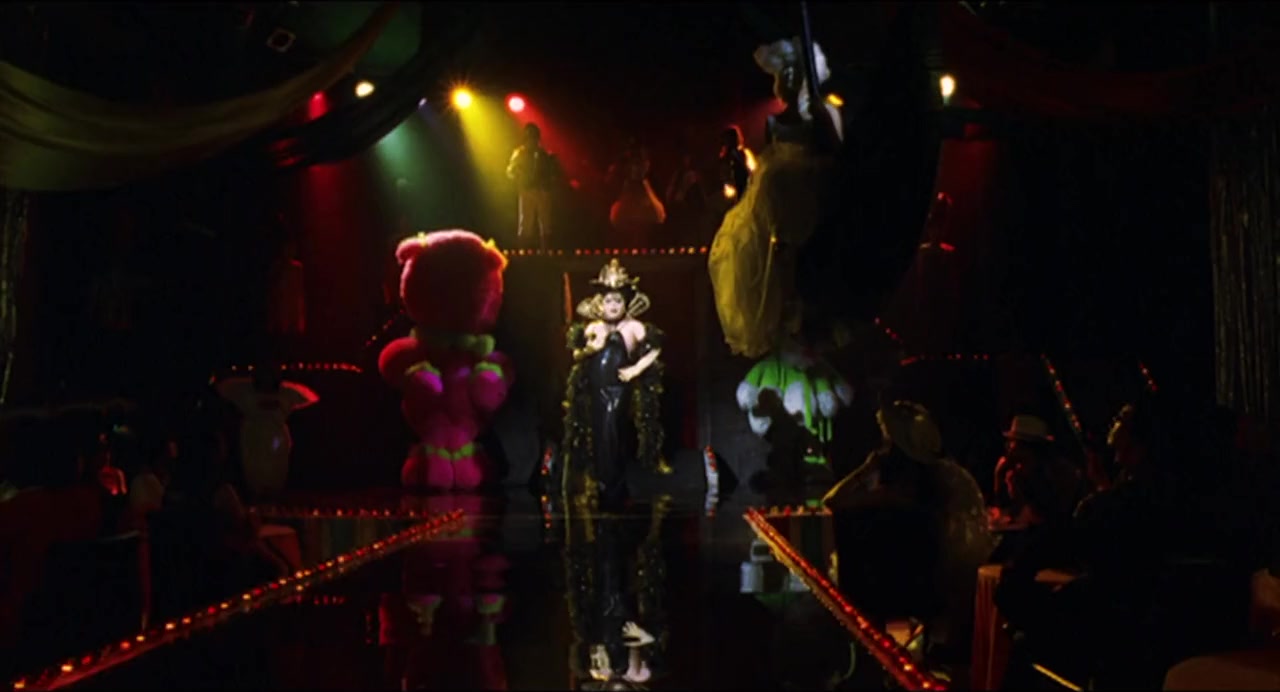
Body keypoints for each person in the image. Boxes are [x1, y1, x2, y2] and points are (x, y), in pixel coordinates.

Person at [823, 400, 993, 657]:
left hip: (919, 584)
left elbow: (832, 501)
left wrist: (866, 469)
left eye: (886, 441)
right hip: (939, 582)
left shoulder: (902, 491)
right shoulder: (947, 476)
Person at [708, 37, 843, 360]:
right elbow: (767, 158)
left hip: (811, 197)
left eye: (797, 72)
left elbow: (837, 154)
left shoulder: (825, 112)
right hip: (776, 204)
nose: (790, 79)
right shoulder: (775, 122)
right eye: (786, 73)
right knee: (768, 264)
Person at [561, 259, 668, 510]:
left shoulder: (633, 327)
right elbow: (576, 355)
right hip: (596, 389)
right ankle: (604, 487)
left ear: (626, 302)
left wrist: (635, 369)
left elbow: (655, 348)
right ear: (600, 302)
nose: (613, 305)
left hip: (618, 389)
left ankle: (614, 485)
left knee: (612, 431)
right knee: (599, 435)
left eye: (618, 300)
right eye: (608, 300)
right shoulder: (594, 327)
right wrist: (591, 348)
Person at [215, 365, 319, 498]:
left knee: (276, 469)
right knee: (254, 470)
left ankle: (273, 496)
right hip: (253, 437)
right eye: (264, 374)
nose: (267, 378)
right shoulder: (243, 390)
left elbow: (311, 398)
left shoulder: (287, 392)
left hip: (276, 437)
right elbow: (221, 388)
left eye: (271, 374)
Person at [506, 123, 558, 251]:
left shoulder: (544, 154)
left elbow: (552, 173)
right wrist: (517, 172)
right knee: (525, 223)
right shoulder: (520, 153)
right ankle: (523, 253)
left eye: (534, 136)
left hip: (542, 191)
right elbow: (510, 171)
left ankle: (545, 253)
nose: (532, 140)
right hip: (527, 190)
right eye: (530, 136)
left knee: (545, 223)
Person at [607, 139, 666, 245]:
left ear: (647, 164)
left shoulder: (655, 183)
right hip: (624, 239)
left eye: (640, 162)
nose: (636, 167)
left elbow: (659, 217)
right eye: (634, 162)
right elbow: (615, 218)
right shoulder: (619, 182)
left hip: (650, 239)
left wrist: (644, 183)